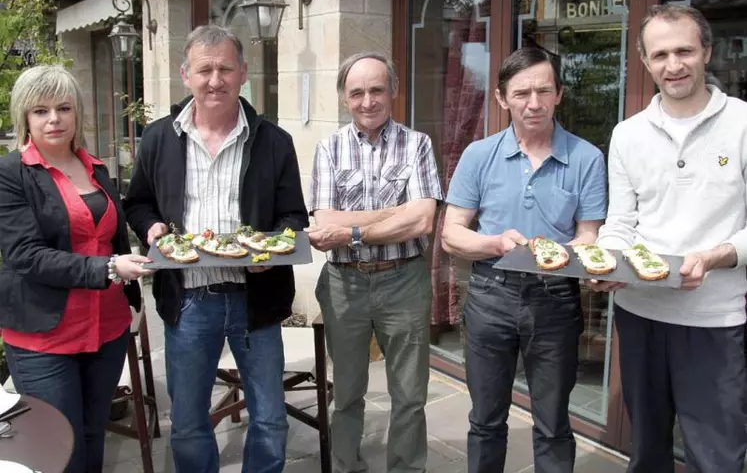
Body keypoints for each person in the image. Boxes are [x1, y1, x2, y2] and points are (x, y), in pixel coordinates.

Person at [124, 24, 308, 473]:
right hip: (188, 300)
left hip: (256, 301)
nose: (215, 79)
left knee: (269, 419)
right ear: (185, 74)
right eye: (204, 69)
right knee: (187, 422)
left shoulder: (274, 141)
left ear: (243, 73)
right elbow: (137, 203)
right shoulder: (158, 138)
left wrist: (269, 251)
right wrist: (151, 228)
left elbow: (293, 218)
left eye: (225, 68)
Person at [588, 4, 747, 472]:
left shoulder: (742, 123)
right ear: (643, 61)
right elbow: (620, 221)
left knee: (717, 456)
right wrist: (606, 263)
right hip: (640, 315)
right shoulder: (627, 135)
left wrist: (719, 255)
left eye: (684, 51)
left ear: (707, 52)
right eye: (660, 55)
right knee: (648, 452)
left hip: (714, 320)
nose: (673, 65)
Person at [441, 46, 608, 473]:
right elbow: (451, 234)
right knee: (485, 420)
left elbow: (588, 232)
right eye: (521, 93)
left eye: (543, 91)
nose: (533, 103)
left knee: (553, 423)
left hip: (556, 300)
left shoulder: (587, 158)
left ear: (559, 95)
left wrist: (584, 257)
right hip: (490, 296)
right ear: (502, 99)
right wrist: (497, 244)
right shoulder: (479, 155)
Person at [0, 65, 152, 473]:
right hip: (44, 334)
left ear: (77, 113)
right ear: (25, 117)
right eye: (41, 110)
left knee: (91, 434)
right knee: (58, 449)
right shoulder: (10, 174)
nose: (54, 119)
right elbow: (26, 255)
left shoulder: (95, 168)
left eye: (64, 108)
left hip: (106, 327)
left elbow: (109, 235)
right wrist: (108, 267)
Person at [306, 51, 443, 473]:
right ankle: (347, 466)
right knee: (346, 391)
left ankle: (406, 468)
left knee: (409, 393)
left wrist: (353, 230)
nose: (368, 101)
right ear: (345, 98)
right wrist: (391, 214)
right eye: (357, 92)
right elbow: (323, 224)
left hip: (403, 281)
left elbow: (422, 220)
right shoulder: (328, 148)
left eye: (377, 90)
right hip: (344, 284)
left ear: (394, 92)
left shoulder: (417, 144)